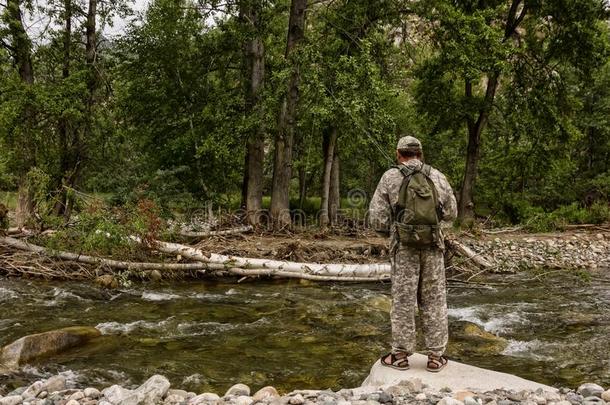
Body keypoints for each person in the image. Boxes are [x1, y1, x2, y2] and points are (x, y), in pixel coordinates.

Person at [368, 135, 457, 372]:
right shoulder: (436, 176)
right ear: (420, 153)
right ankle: (436, 357)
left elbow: (377, 217)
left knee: (403, 300)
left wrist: (394, 230)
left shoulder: (390, 177)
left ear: (399, 154)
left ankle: (400, 356)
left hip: (404, 248)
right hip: (433, 247)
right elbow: (451, 213)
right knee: (435, 299)